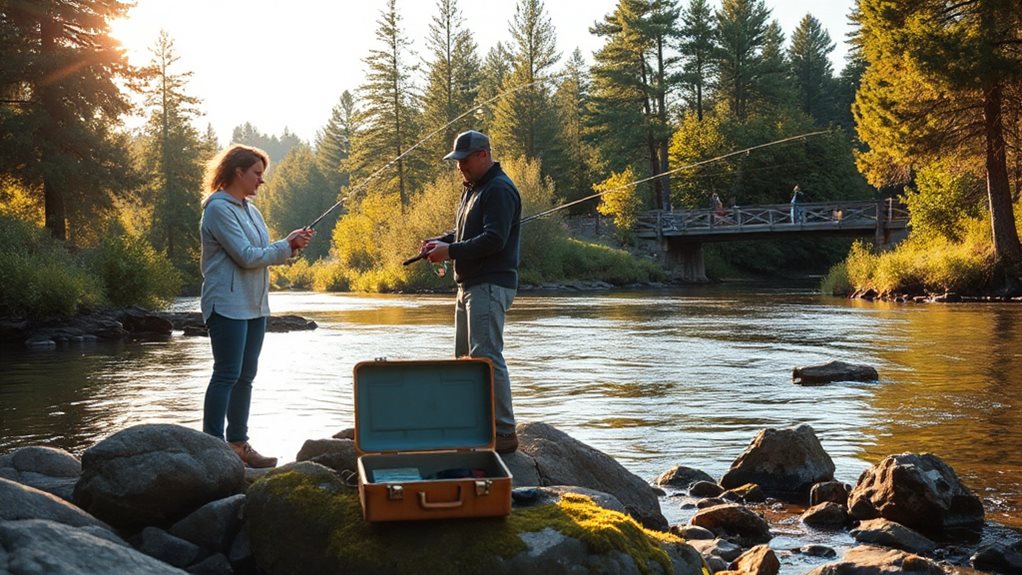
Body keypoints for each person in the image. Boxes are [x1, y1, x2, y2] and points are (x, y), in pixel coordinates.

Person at [199, 144, 314, 468]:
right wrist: (284, 246)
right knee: (227, 373)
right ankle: (212, 447)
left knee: (246, 375)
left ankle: (238, 444)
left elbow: (262, 251)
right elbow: (247, 256)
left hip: (254, 304)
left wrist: (289, 244)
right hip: (227, 304)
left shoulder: (250, 210)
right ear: (238, 172)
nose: (261, 181)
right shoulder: (218, 209)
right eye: (257, 174)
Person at [421, 130, 522, 454]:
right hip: (469, 284)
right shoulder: (475, 190)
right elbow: (466, 232)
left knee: (486, 357)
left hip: (490, 284)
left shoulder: (499, 189)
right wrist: (443, 240)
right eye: (457, 161)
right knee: (464, 361)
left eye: (464, 160)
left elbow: (495, 240)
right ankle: (472, 424)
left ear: (483, 154)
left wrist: (449, 252)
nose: (460, 166)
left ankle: (504, 432)